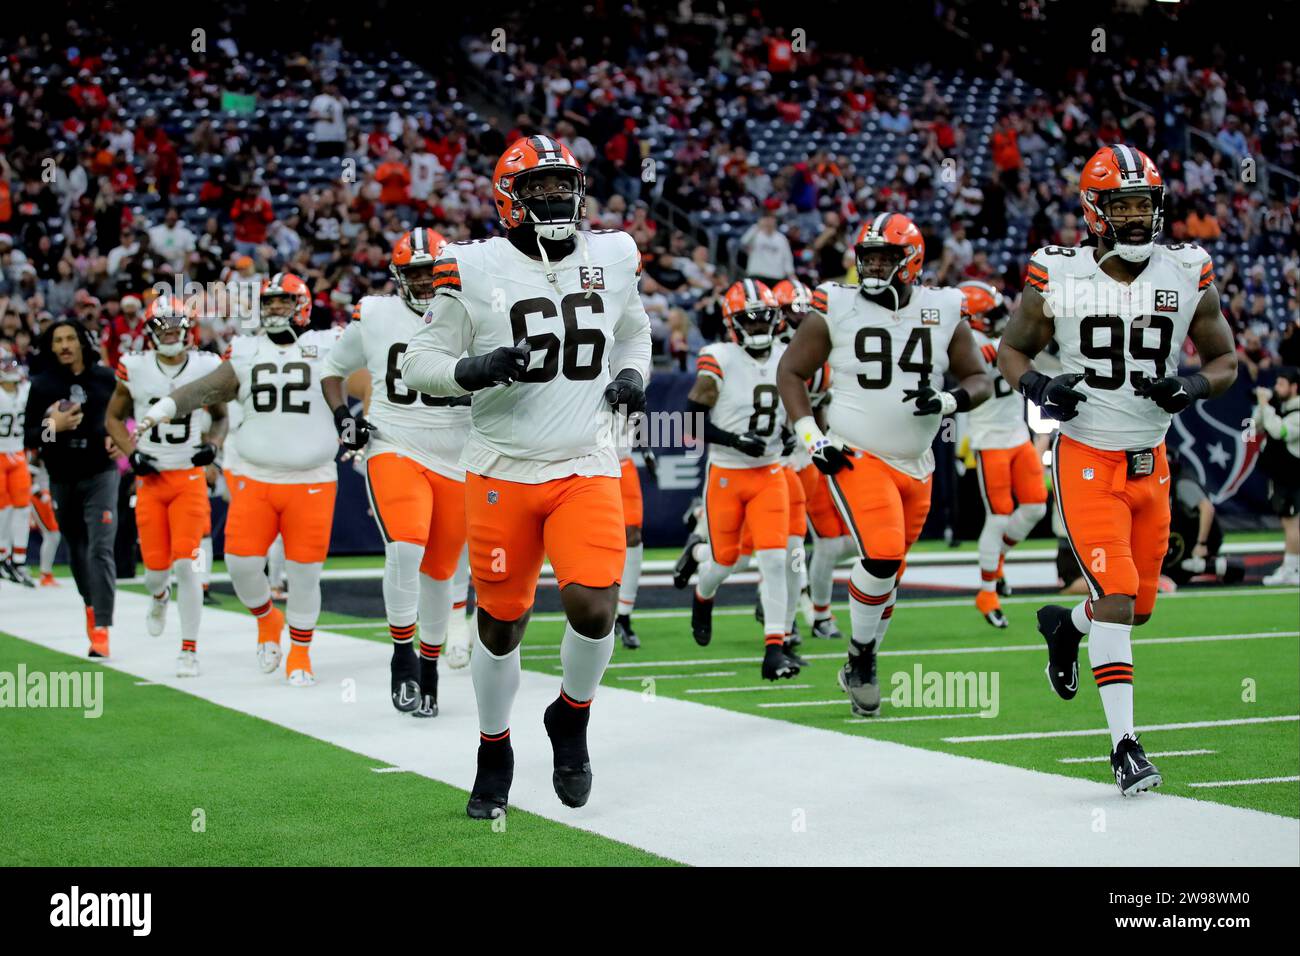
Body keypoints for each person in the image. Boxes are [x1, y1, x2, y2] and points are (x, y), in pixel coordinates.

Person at [400, 135, 651, 819]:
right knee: (501, 625)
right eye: (537, 187)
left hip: (585, 460)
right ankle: (493, 746)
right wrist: (473, 370)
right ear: (508, 198)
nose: (554, 198)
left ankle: (571, 716)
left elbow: (634, 331)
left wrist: (632, 374)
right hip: (501, 467)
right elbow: (417, 361)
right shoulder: (469, 266)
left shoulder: (614, 255)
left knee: (594, 606)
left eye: (561, 185)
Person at [997, 145, 1239, 795]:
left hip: (1150, 460)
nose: (1137, 218)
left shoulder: (1187, 271)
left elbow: (1225, 362)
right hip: (1084, 455)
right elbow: (1011, 350)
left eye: (1145, 205)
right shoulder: (1057, 272)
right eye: (1123, 206)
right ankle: (1124, 748)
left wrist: (1193, 383)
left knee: (1138, 610)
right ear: (1095, 210)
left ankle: (1062, 626)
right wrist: (1040, 387)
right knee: (1119, 598)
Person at [778, 213, 993, 718]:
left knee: (890, 572)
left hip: (917, 463)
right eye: (868, 256)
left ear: (911, 260)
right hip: (856, 452)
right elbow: (792, 371)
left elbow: (977, 379)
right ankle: (863, 657)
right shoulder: (836, 303)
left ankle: (862, 656)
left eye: (886, 257)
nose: (874, 265)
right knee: (881, 554)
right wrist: (812, 437)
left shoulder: (943, 307)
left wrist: (947, 401)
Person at [138, 274, 342, 686]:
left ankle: (300, 652)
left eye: (284, 303)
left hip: (313, 478)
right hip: (256, 474)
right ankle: (267, 619)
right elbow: (209, 389)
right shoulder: (246, 350)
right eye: (270, 304)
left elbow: (365, 372)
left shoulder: (329, 343)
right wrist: (166, 406)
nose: (275, 311)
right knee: (242, 565)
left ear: (302, 306)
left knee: (304, 573)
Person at [321, 228, 472, 717]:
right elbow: (332, 368)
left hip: (458, 456)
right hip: (395, 443)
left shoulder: (475, 313)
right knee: (406, 544)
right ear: (398, 276)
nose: (426, 282)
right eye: (415, 273)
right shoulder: (375, 313)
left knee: (440, 573)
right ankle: (402, 654)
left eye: (432, 272)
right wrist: (344, 416)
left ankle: (428, 666)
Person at [671, 280, 801, 679]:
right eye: (751, 319)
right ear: (733, 323)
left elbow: (801, 404)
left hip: (770, 472)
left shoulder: (789, 354)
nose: (760, 326)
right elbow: (689, 423)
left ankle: (775, 649)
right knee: (727, 562)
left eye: (765, 317)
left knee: (776, 559)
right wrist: (735, 441)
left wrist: (795, 429)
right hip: (727, 472)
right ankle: (703, 592)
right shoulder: (719, 357)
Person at [105, 297, 226, 677]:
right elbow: (112, 417)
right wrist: (130, 453)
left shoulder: (207, 366)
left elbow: (220, 417)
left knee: (188, 565)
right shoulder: (137, 367)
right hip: (151, 478)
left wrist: (214, 446)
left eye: (176, 324)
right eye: (162, 324)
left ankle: (189, 649)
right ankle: (159, 595)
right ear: (150, 330)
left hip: (189, 476)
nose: (170, 331)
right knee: (155, 571)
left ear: (190, 329)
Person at [23, 320, 120, 656]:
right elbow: (31, 438)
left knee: (100, 548)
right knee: (78, 552)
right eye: (58, 340)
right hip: (63, 476)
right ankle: (91, 608)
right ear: (51, 347)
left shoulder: (106, 379)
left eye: (70, 339)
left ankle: (102, 629)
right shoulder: (42, 384)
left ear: (82, 342)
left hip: (101, 472)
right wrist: (54, 425)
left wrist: (122, 442)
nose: (64, 345)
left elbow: (129, 416)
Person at [959, 280, 1048, 628]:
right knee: (998, 517)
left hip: (1017, 435)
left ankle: (996, 566)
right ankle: (986, 593)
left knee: (1036, 506)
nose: (999, 318)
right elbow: (981, 358)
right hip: (989, 440)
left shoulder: (995, 340)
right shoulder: (968, 344)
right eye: (992, 314)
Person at [1162, 447, 1244, 586]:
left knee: (1174, 568)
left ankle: (1215, 565)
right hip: (1185, 536)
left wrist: (1201, 544)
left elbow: (1207, 508)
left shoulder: (1181, 483)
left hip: (1195, 540)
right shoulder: (1173, 481)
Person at [1255, 367, 1300, 585]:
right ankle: (1291, 566)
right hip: (1281, 476)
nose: (1277, 388)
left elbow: (1278, 431)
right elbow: (1255, 427)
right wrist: (1264, 406)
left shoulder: (1298, 413)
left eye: (1282, 384)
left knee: (1292, 524)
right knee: (1288, 522)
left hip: (1292, 476)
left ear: (1294, 387)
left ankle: (1292, 569)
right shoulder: (1279, 408)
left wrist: (1265, 405)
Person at [0, 353, 36, 585]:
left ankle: (19, 559)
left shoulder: (27, 390)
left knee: (23, 507)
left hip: (19, 453)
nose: (11, 369)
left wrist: (46, 440)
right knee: (3, 509)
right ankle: (3, 555)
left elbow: (45, 417)